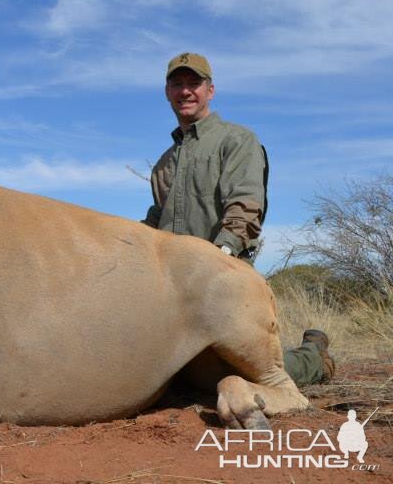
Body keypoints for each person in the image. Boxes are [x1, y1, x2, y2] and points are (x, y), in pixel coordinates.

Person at [143, 52, 334, 386]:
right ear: (167, 92)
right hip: (173, 288)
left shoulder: (237, 140)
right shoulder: (163, 164)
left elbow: (245, 209)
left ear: (210, 91)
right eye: (177, 84)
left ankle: (314, 359)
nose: (185, 91)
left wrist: (220, 259)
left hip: (225, 280)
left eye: (194, 83)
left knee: (230, 374)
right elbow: (155, 223)